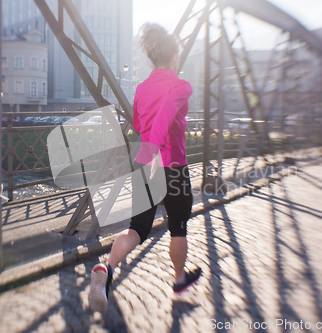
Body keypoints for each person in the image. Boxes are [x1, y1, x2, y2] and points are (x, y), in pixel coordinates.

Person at [87, 23, 202, 313]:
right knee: (178, 228)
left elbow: (138, 124)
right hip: (172, 167)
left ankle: (107, 267)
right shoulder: (181, 85)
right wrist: (155, 149)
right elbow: (164, 116)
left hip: (142, 166)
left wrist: (148, 149)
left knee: (136, 229)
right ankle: (178, 279)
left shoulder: (141, 87)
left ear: (152, 58)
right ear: (175, 56)